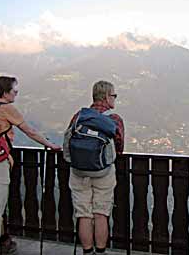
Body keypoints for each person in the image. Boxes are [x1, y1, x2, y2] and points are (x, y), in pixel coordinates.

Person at [0, 76, 61, 254]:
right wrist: (50, 144)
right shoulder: (7, 109)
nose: (16, 93)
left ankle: (5, 240)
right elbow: (29, 131)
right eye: (14, 91)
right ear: (5, 92)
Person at [68, 80, 124, 255]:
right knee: (101, 213)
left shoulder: (78, 116)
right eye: (114, 95)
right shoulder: (113, 119)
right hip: (103, 172)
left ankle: (86, 251)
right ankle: (100, 252)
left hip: (78, 172)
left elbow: (68, 141)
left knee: (83, 213)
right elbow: (119, 146)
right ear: (107, 97)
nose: (115, 99)